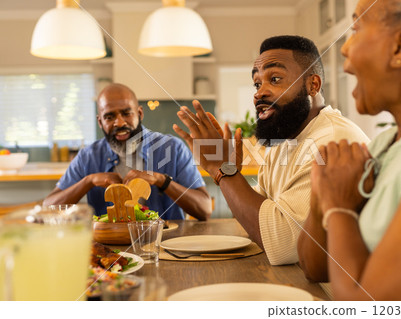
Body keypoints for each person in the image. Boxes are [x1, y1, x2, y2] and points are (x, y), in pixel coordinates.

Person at [298, 0, 401, 300]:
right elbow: (315, 268)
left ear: (400, 47)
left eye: (356, 28)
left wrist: (338, 207)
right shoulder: (383, 144)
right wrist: (323, 196)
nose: (343, 48)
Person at [173, 35, 369, 265]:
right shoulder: (285, 140)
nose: (259, 93)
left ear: (313, 85)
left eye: (274, 79)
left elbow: (282, 244)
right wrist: (226, 170)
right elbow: (259, 210)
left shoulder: (333, 141)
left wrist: (223, 171)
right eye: (257, 84)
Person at [43, 83, 212, 221]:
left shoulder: (173, 148)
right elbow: (48, 209)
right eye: (109, 117)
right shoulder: (88, 156)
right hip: (110, 251)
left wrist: (161, 180)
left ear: (139, 113)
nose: (119, 122)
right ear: (100, 122)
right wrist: (88, 181)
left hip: (166, 245)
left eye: (126, 113)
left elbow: (204, 210)